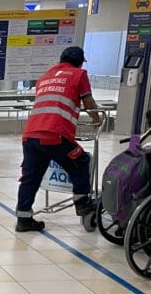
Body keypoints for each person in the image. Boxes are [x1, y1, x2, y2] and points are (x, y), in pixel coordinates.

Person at [15, 45, 101, 232]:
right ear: (79, 62)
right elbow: (89, 103)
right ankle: (83, 205)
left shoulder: (45, 76)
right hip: (55, 135)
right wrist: (98, 119)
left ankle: (23, 218)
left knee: (30, 177)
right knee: (81, 161)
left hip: (30, 136)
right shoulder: (79, 74)